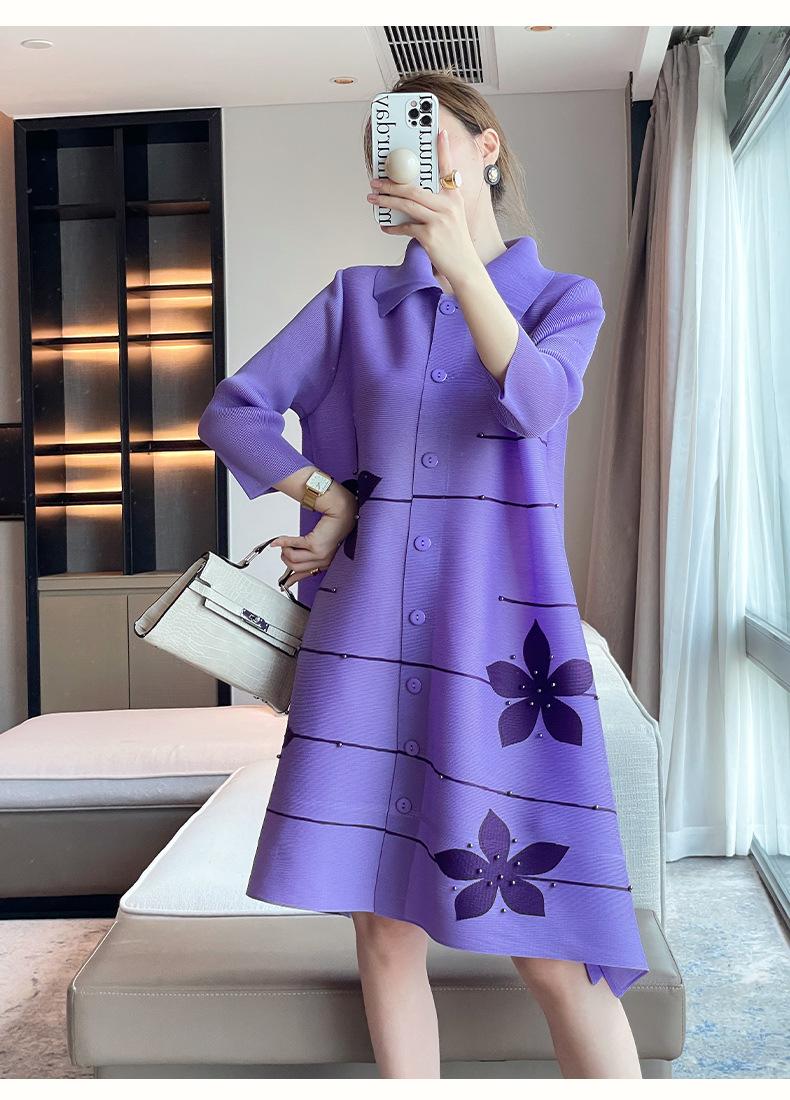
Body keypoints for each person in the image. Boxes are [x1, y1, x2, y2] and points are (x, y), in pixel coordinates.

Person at [197, 70, 649, 1079]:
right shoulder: (356, 301)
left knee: (550, 937)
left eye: (427, 131)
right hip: (365, 642)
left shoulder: (562, 299)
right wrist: (329, 494)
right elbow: (233, 410)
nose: (403, 151)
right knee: (384, 926)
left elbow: (537, 404)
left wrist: (459, 265)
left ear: (487, 147)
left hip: (504, 656)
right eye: (386, 139)